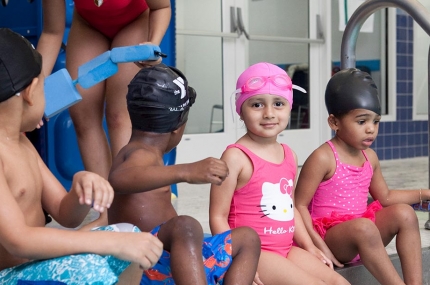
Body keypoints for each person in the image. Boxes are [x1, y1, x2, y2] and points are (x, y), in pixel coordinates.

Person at [0, 28, 163, 285]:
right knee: (94, 268)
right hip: (7, 275)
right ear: (32, 92)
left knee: (128, 232)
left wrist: (80, 191)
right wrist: (106, 242)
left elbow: (67, 216)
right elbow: (19, 241)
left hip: (32, 263)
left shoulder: (20, 143)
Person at [107, 63, 261, 285]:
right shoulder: (139, 154)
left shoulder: (145, 153)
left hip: (174, 264)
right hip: (143, 265)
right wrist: (186, 171)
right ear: (178, 127)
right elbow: (119, 179)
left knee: (247, 238)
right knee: (186, 226)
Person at [209, 62, 351, 285]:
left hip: (286, 249)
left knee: (340, 283)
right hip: (256, 253)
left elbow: (290, 207)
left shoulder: (289, 155)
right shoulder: (235, 158)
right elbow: (217, 216)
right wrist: (231, 260)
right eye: (257, 104)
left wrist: (308, 246)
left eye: (278, 103)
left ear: (289, 107)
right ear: (240, 110)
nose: (269, 113)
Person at [37, 0, 171, 227]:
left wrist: (153, 43)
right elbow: (51, 32)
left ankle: (127, 204)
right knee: (83, 116)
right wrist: (34, 85)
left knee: (120, 116)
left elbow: (161, 7)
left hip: (134, 22)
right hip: (89, 25)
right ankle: (106, 211)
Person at [295, 68, 427, 285]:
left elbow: (384, 197)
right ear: (334, 122)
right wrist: (319, 246)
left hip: (365, 236)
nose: (371, 130)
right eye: (361, 121)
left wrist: (424, 193)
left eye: (375, 122)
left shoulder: (370, 157)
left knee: (405, 214)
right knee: (364, 227)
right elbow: (299, 205)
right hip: (332, 239)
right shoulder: (323, 158)